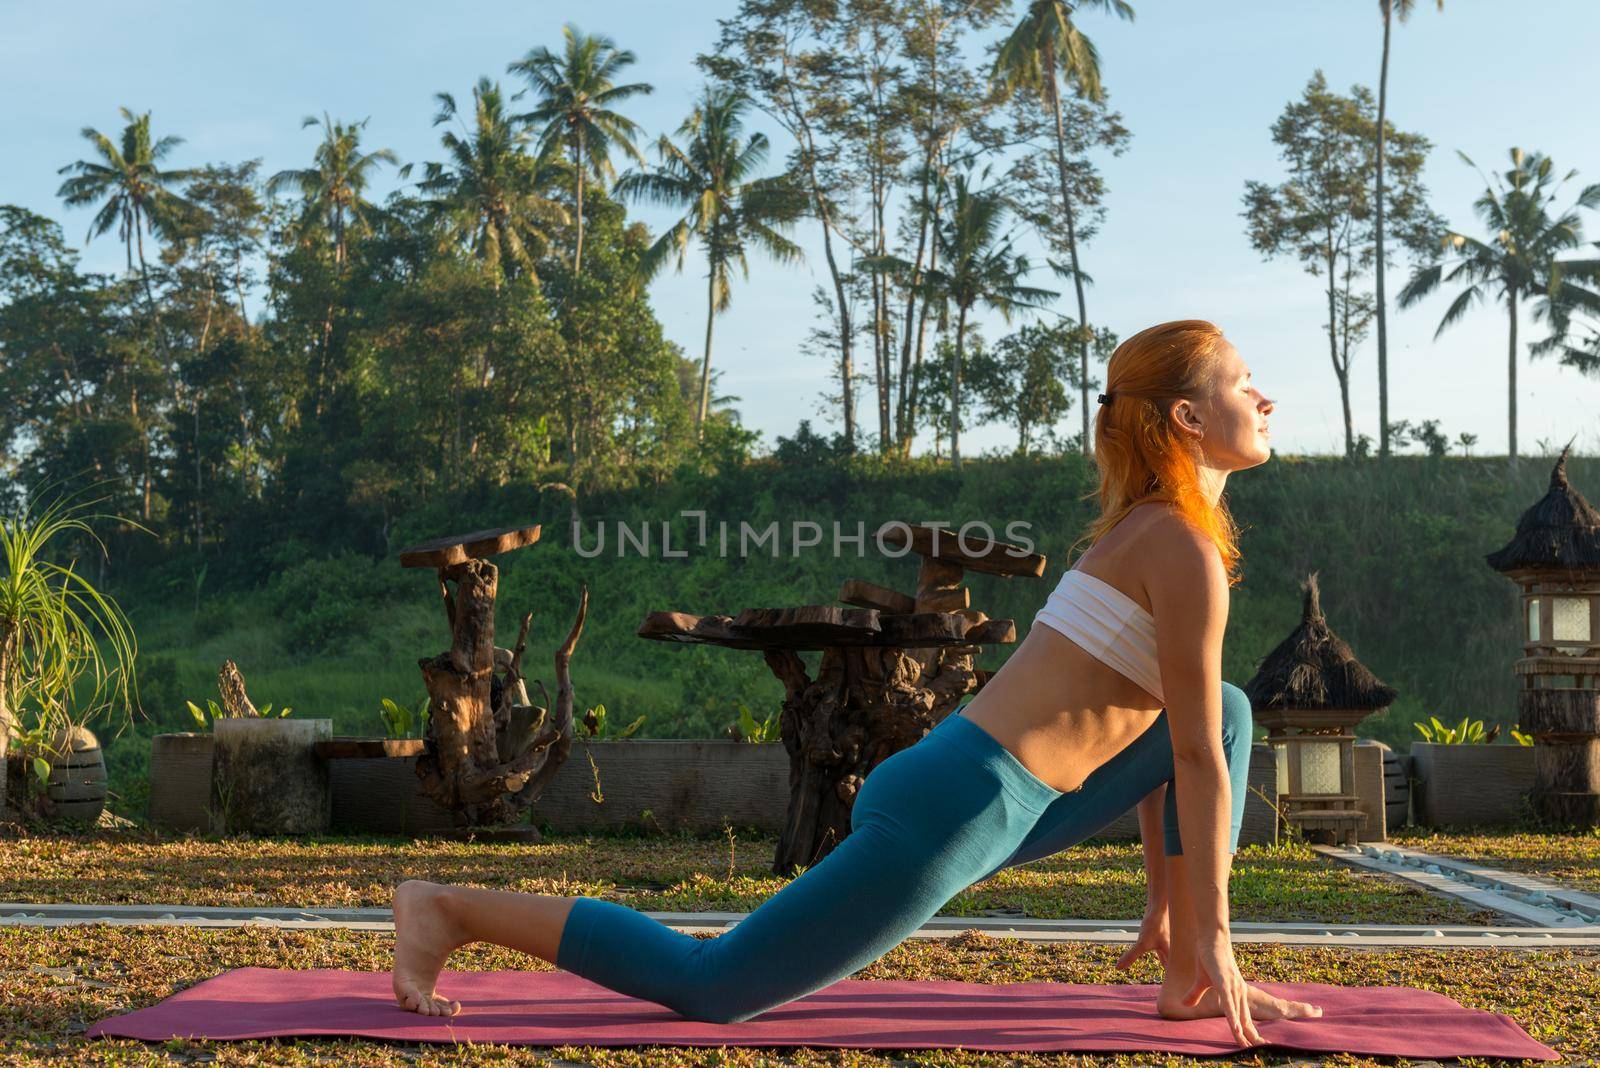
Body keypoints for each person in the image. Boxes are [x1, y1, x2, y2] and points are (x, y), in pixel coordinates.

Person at [390, 319, 1321, 1047]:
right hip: (956, 806)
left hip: (1013, 797)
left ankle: (1183, 975)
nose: (1267, 397)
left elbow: (1191, 733)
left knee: (1232, 707)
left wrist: (1175, 915)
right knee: (714, 987)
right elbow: (1194, 757)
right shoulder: (1179, 545)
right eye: (1245, 383)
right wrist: (1225, 935)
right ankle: (450, 907)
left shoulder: (1152, 530)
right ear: (1189, 419)